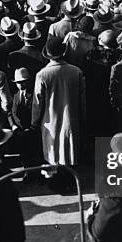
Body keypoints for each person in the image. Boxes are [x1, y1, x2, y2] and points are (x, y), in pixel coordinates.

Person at [32, 37, 86, 167]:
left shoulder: (42, 75)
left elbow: (37, 103)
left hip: (50, 120)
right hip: (71, 119)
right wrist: (83, 118)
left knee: (53, 153)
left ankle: (56, 181)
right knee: (69, 151)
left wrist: (34, 122)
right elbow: (82, 99)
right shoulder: (76, 71)